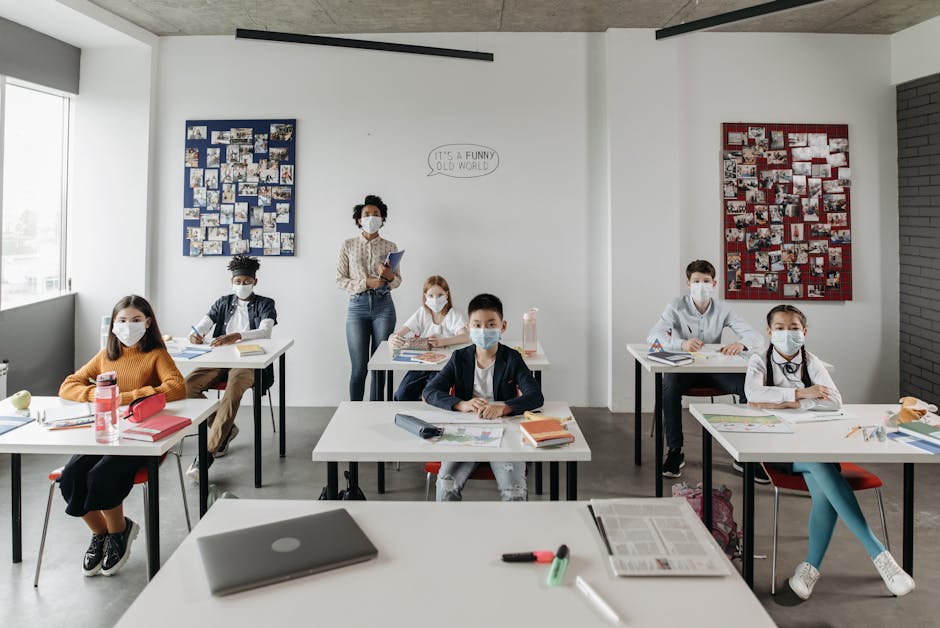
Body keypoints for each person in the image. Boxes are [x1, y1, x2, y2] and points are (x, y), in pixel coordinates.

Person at [745, 305, 915, 600]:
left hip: (815, 443)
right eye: (781, 328)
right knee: (822, 467)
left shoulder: (812, 361)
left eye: (794, 327)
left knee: (822, 473)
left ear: (805, 332)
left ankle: (810, 568)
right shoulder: (759, 362)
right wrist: (801, 394)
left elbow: (834, 401)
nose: (788, 333)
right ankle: (880, 556)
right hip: (779, 448)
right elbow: (754, 395)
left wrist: (782, 402)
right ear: (770, 332)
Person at [58, 295, 185, 577]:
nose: (129, 326)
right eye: (123, 321)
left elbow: (177, 388)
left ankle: (118, 532)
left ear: (148, 322)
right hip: (105, 432)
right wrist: (98, 394)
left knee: (100, 477)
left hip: (140, 437)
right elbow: (68, 386)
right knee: (70, 478)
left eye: (136, 320)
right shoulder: (106, 356)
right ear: (114, 325)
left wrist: (123, 397)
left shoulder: (155, 355)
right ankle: (101, 533)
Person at [646, 260, 766, 480]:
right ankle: (675, 451)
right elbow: (653, 336)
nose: (701, 285)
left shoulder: (724, 308)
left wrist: (741, 344)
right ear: (688, 283)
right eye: (696, 281)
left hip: (714, 369)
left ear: (714, 283)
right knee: (669, 386)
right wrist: (680, 344)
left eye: (706, 281)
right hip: (684, 367)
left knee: (747, 386)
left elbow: (757, 337)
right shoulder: (676, 305)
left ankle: (744, 454)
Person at [423, 294, 543, 501]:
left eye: (490, 324)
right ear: (468, 327)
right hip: (465, 433)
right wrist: (461, 404)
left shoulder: (512, 358)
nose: (483, 330)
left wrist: (504, 407)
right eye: (477, 325)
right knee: (446, 485)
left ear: (502, 326)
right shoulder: (459, 358)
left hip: (504, 431)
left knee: (514, 493)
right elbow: (430, 392)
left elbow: (535, 396)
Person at [184, 255, 277, 481]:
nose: (241, 285)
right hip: (220, 358)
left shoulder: (266, 303)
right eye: (237, 281)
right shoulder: (223, 302)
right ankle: (226, 429)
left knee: (232, 392)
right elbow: (204, 323)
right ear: (231, 281)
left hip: (249, 361)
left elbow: (265, 331)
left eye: (246, 281)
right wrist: (196, 333)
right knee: (186, 386)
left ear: (255, 282)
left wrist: (237, 335)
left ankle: (207, 454)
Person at [336, 194, 401, 401]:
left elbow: (398, 280)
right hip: (357, 307)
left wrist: (390, 277)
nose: (371, 217)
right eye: (367, 214)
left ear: (382, 219)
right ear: (359, 219)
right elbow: (340, 280)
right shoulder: (347, 245)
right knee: (358, 368)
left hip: (384, 306)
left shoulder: (390, 246)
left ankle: (376, 410)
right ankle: (354, 413)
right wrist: (365, 283)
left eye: (376, 214)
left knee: (380, 367)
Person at [389, 275, 469, 401]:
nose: (435, 300)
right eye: (431, 296)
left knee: (429, 396)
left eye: (440, 295)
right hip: (422, 365)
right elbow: (398, 334)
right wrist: (392, 338)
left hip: (444, 366)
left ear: (447, 295)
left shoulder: (454, 314)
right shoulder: (422, 312)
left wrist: (443, 342)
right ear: (425, 295)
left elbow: (465, 336)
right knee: (401, 395)